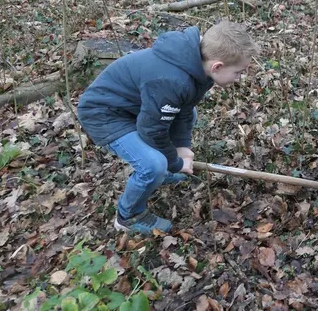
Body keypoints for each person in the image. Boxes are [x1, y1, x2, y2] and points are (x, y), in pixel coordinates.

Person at [77, 21, 258, 235]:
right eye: (238, 72)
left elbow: (184, 107)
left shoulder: (198, 66)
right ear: (217, 66)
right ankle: (129, 216)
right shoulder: (172, 79)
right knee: (154, 164)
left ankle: (163, 172)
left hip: (136, 108)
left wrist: (182, 146)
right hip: (105, 115)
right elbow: (152, 130)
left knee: (189, 116)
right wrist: (174, 161)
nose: (239, 78)